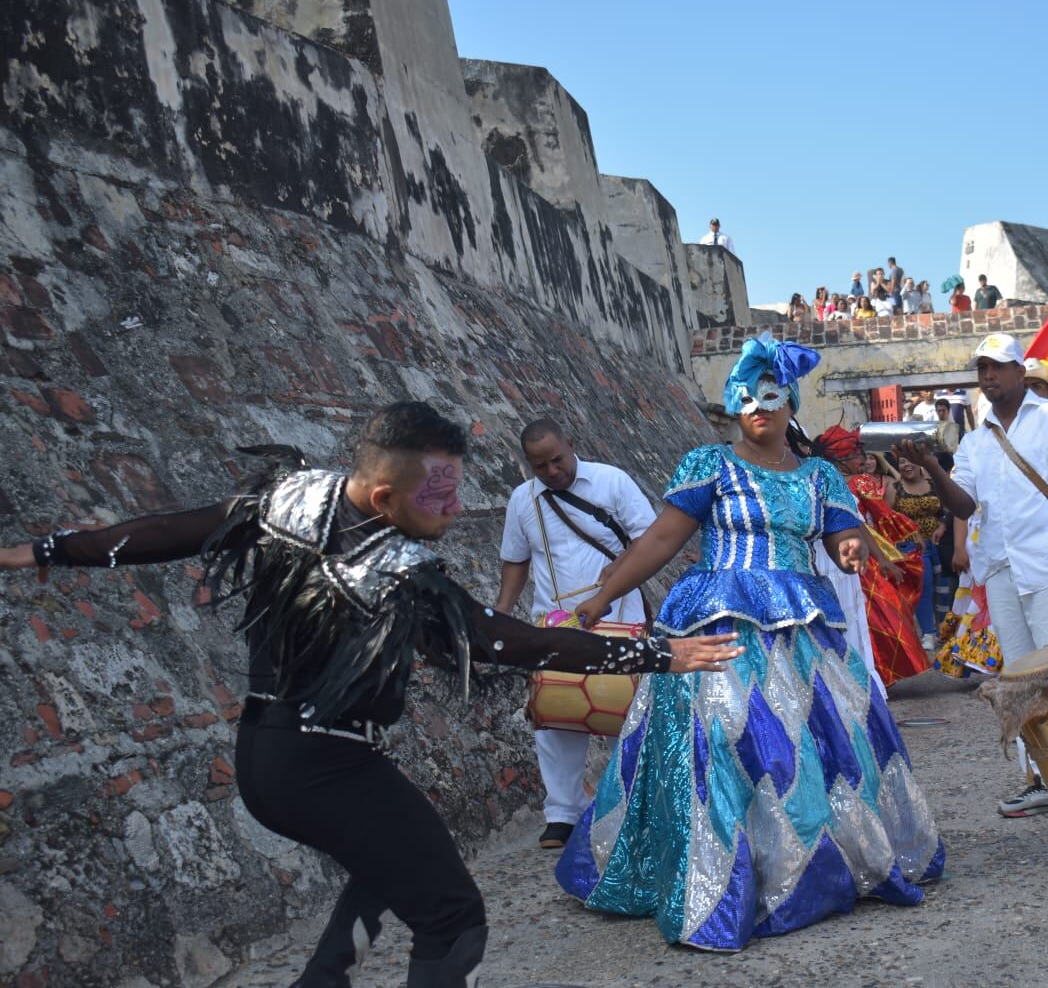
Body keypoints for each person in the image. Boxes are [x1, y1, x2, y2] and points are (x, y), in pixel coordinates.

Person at [0, 402, 738, 987]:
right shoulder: (399, 574)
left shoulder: (286, 501)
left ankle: (322, 979)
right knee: (453, 918)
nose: (454, 511)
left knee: (388, 866)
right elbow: (515, 643)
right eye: (440, 496)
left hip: (268, 755)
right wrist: (653, 653)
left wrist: (47, 548)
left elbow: (170, 531)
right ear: (386, 494)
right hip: (326, 765)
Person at [559, 335, 944, 951]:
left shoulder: (818, 474)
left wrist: (848, 545)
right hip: (718, 623)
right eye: (746, 397)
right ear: (734, 406)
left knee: (815, 745)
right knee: (722, 735)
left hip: (799, 626)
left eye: (770, 395)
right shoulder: (710, 464)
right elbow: (662, 540)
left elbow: (847, 527)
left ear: (790, 403)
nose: (758, 406)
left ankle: (805, 865)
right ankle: (721, 876)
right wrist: (604, 598)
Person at [894, 333, 1048, 819]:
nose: (988, 376)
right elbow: (963, 503)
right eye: (982, 368)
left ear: (1020, 371)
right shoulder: (977, 441)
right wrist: (932, 468)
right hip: (1000, 571)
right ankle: (1042, 778)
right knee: (1023, 679)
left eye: (998, 367)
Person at [496, 419, 659, 850]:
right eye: (540, 466)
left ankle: (632, 805)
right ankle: (562, 815)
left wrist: (617, 574)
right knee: (553, 717)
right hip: (555, 622)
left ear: (571, 445)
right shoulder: (522, 500)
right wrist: (500, 613)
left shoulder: (612, 482)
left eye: (557, 460)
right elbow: (516, 560)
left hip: (617, 616)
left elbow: (652, 539)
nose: (551, 471)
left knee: (623, 711)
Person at [817, 428, 931, 685]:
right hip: (855, 560)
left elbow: (860, 525)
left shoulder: (822, 481)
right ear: (842, 456)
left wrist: (882, 558)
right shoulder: (857, 482)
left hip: (836, 559)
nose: (861, 459)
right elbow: (879, 518)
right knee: (876, 617)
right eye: (856, 453)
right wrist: (892, 550)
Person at [891, 453, 946, 649]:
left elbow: (946, 511)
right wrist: (908, 533)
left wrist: (942, 527)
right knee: (924, 588)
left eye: (909, 459)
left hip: (940, 543)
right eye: (902, 462)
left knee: (944, 589)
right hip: (912, 547)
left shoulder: (934, 484)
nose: (906, 464)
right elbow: (888, 518)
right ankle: (928, 633)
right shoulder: (894, 488)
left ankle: (944, 630)